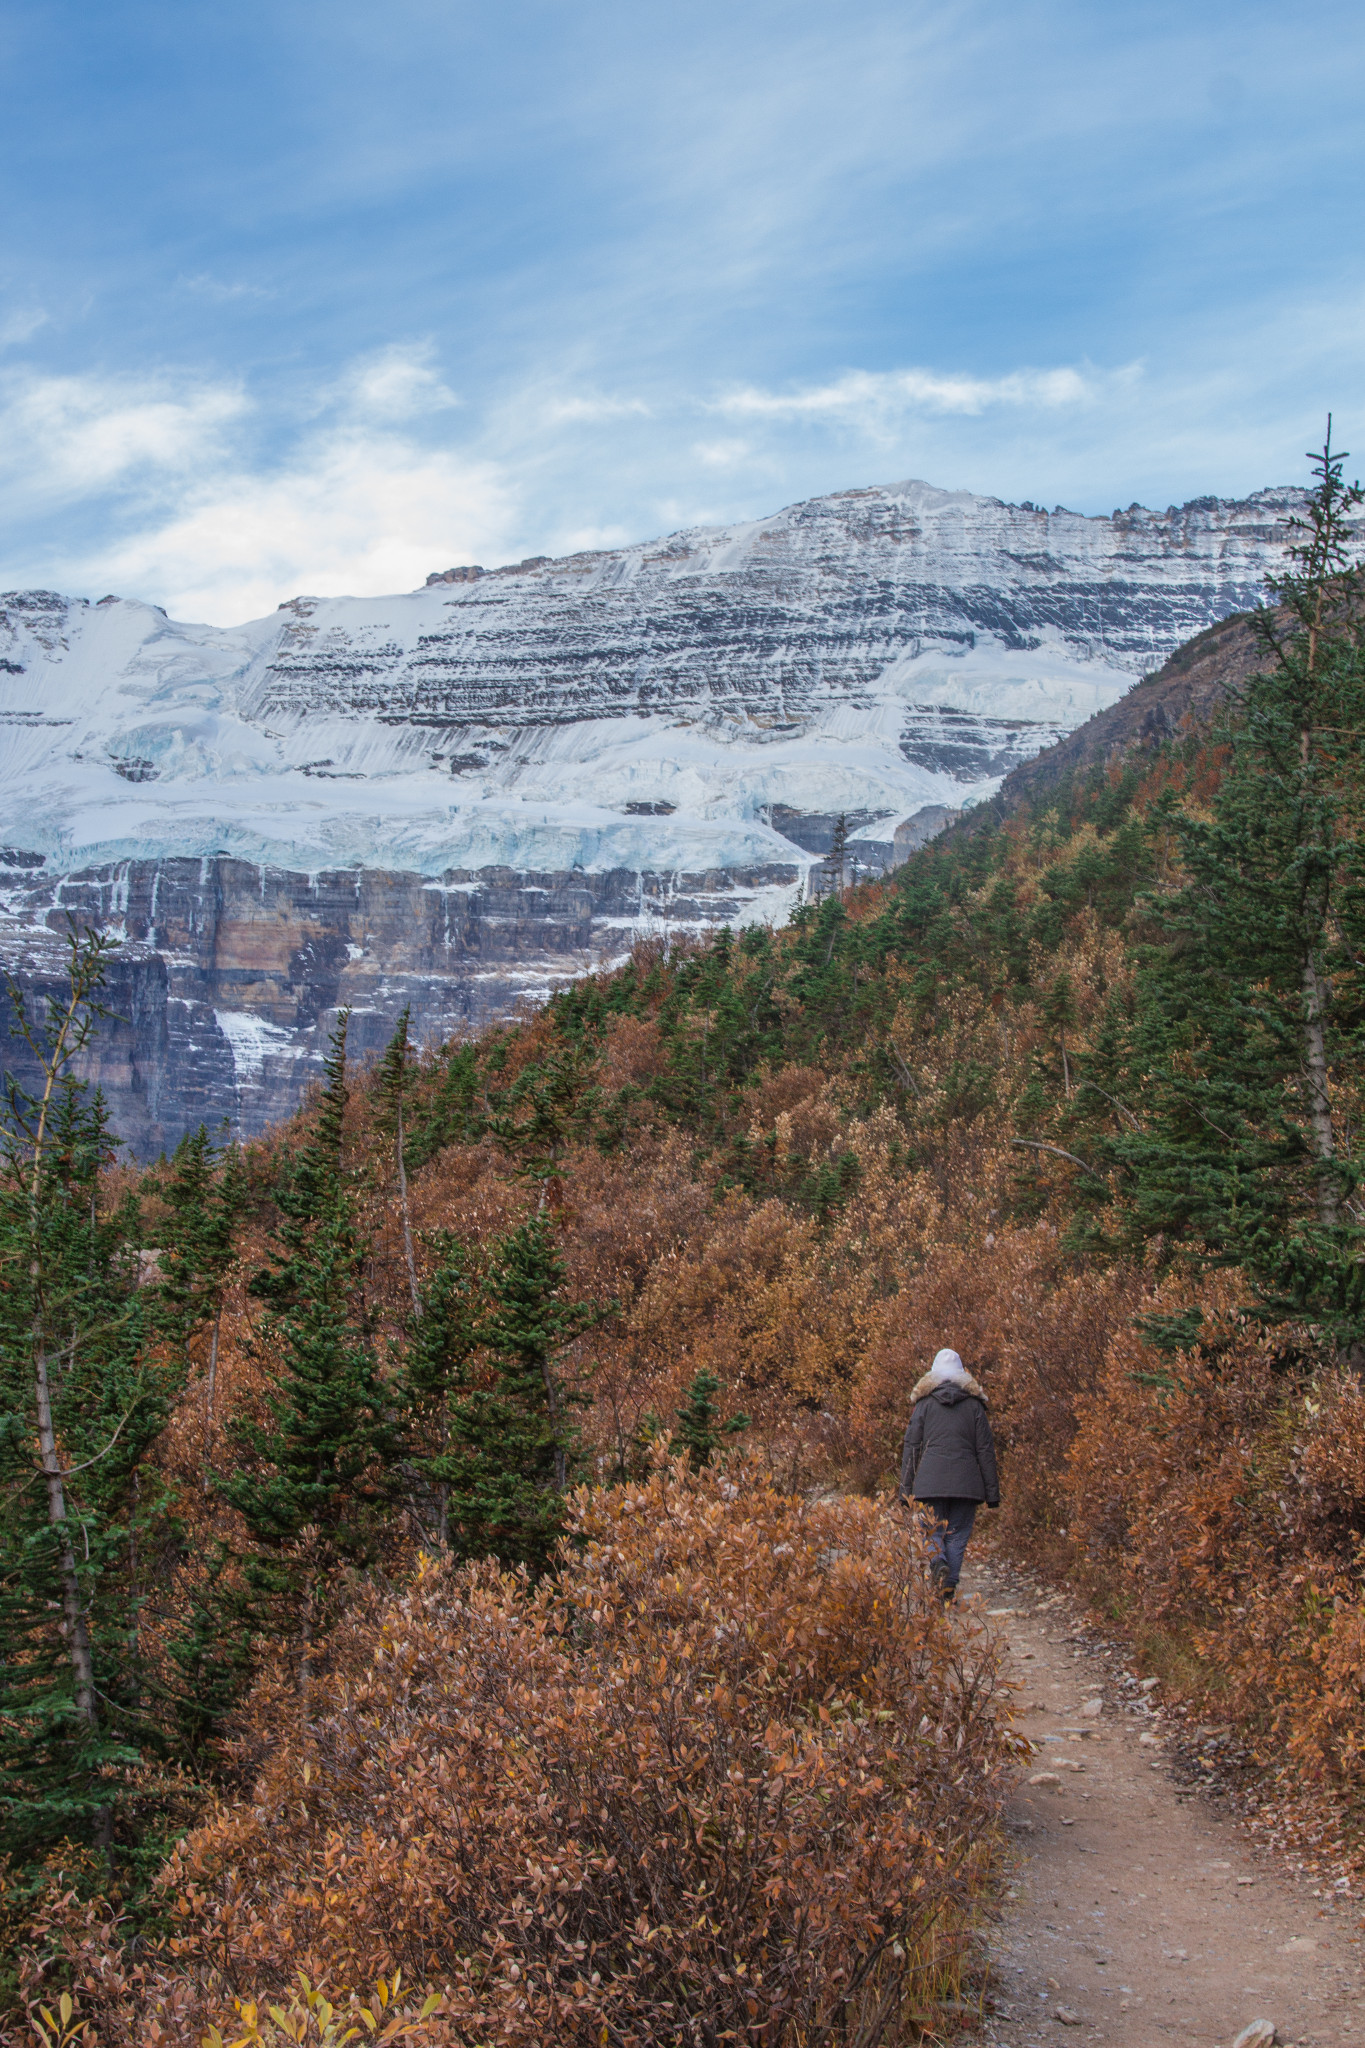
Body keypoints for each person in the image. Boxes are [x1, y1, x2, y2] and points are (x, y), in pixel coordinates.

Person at [899, 1347, 999, 1602]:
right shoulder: (976, 1406)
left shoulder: (923, 1405)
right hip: (967, 1485)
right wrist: (992, 1493)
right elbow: (985, 1450)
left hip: (930, 1483)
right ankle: (948, 1586)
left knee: (932, 1532)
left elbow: (912, 1447)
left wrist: (905, 1489)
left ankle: (938, 1565)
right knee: (957, 1534)